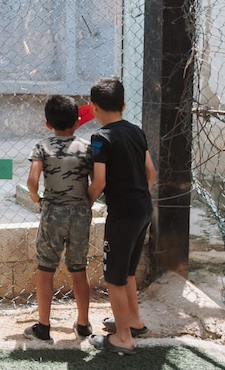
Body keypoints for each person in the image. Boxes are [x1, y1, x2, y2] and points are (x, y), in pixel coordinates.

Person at [86, 77, 156, 356]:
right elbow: (151, 172)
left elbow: (99, 182)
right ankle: (134, 321)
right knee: (127, 271)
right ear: (124, 105)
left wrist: (85, 203)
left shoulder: (100, 139)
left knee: (114, 277)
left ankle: (123, 338)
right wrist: (138, 195)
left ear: (93, 108)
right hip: (143, 208)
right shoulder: (137, 131)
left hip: (123, 214)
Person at [23, 95, 93, 344]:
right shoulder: (87, 147)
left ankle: (43, 326)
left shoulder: (42, 147)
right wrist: (87, 202)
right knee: (78, 267)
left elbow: (32, 181)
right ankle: (83, 324)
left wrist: (37, 198)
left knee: (46, 268)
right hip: (80, 213)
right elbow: (97, 181)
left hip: (53, 212)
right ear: (77, 121)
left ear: (47, 123)